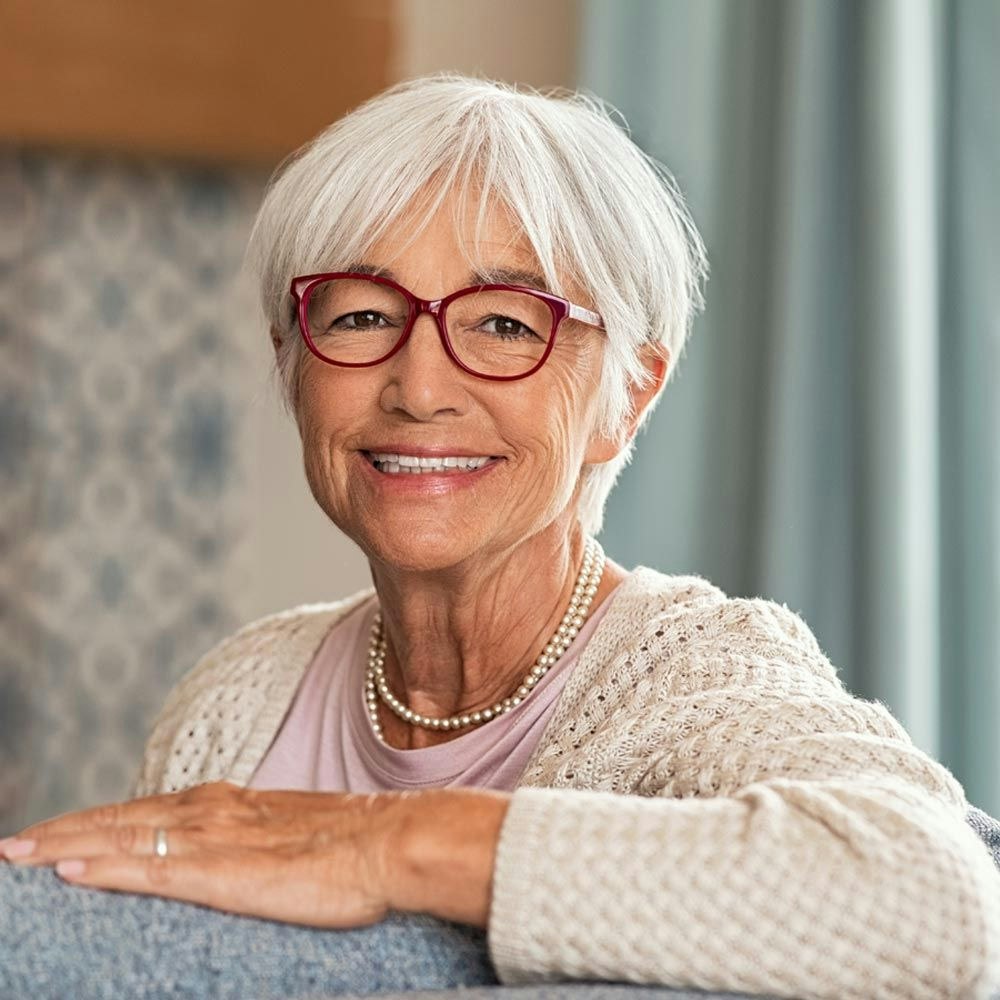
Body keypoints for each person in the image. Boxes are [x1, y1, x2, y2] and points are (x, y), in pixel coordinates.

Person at [2, 74, 999, 1000]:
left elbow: (943, 900)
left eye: (505, 325)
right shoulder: (237, 697)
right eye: (357, 314)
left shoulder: (690, 671)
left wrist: (385, 844)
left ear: (627, 395)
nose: (419, 386)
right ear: (290, 363)